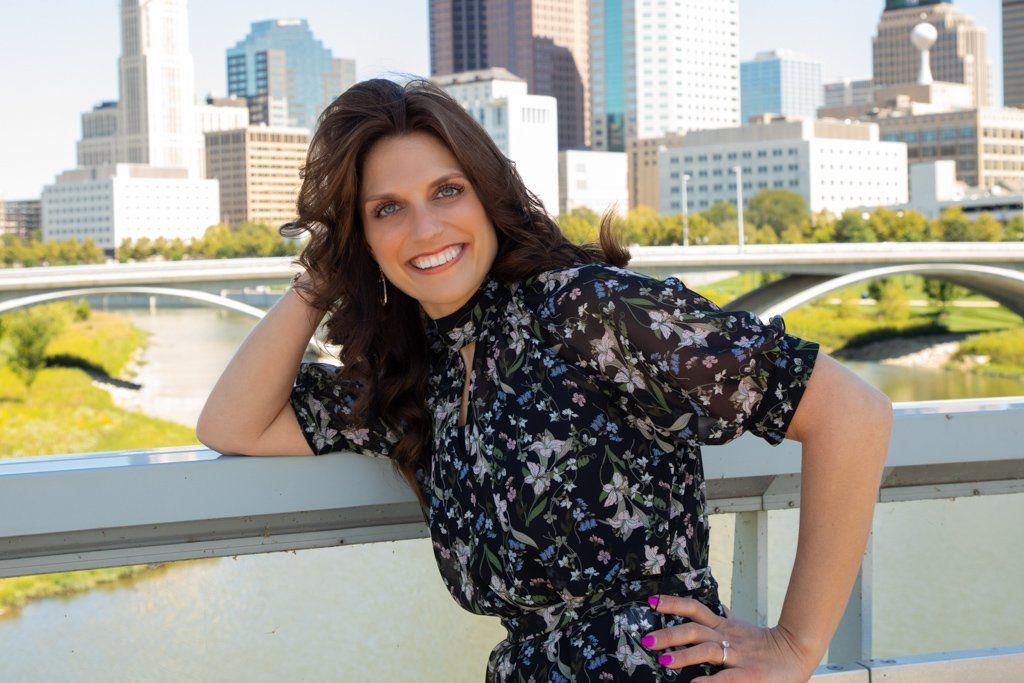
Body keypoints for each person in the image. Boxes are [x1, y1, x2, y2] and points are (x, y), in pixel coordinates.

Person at [196, 77, 893, 682]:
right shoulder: (419, 378)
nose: (426, 226)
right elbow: (233, 423)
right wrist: (322, 275)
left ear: (487, 193)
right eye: (387, 209)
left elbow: (851, 411)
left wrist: (795, 642)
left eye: (447, 190)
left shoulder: (585, 309)